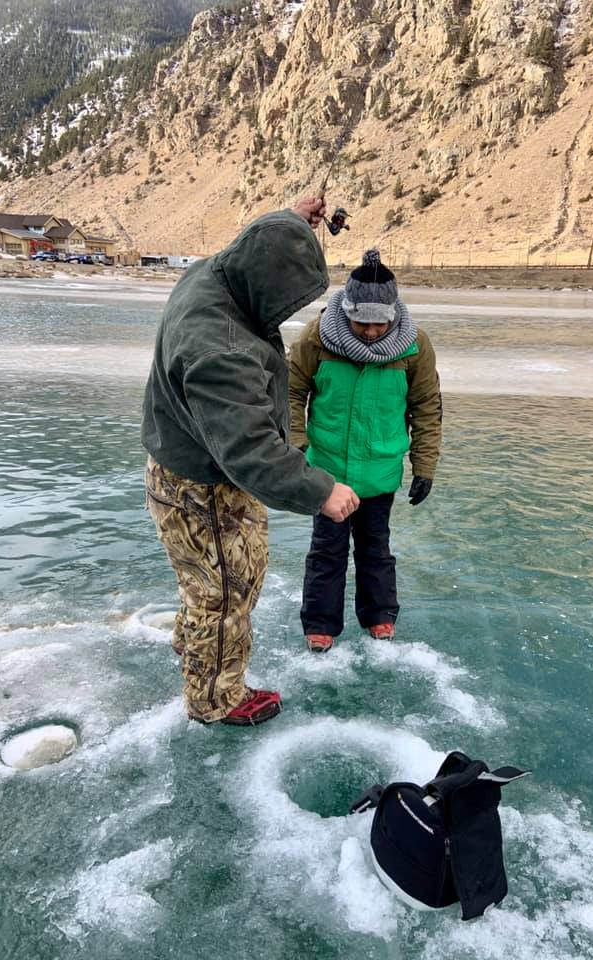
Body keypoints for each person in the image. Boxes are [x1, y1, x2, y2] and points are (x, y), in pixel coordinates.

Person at [141, 197, 359, 726]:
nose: (288, 314)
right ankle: (216, 698)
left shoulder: (213, 273)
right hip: (205, 488)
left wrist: (290, 221)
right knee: (225, 594)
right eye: (285, 302)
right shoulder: (221, 349)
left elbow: (254, 243)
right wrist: (320, 491)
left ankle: (193, 641)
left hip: (183, 461)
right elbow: (251, 452)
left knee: (211, 579)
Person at [289, 249, 442, 652]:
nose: (371, 332)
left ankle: (379, 617)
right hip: (326, 470)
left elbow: (426, 406)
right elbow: (288, 391)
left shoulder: (415, 346)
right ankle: (320, 624)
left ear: (393, 314)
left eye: (379, 324)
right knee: (327, 551)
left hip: (380, 470)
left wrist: (424, 464)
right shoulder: (318, 336)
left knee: (376, 548)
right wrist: (297, 448)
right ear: (347, 310)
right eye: (361, 322)